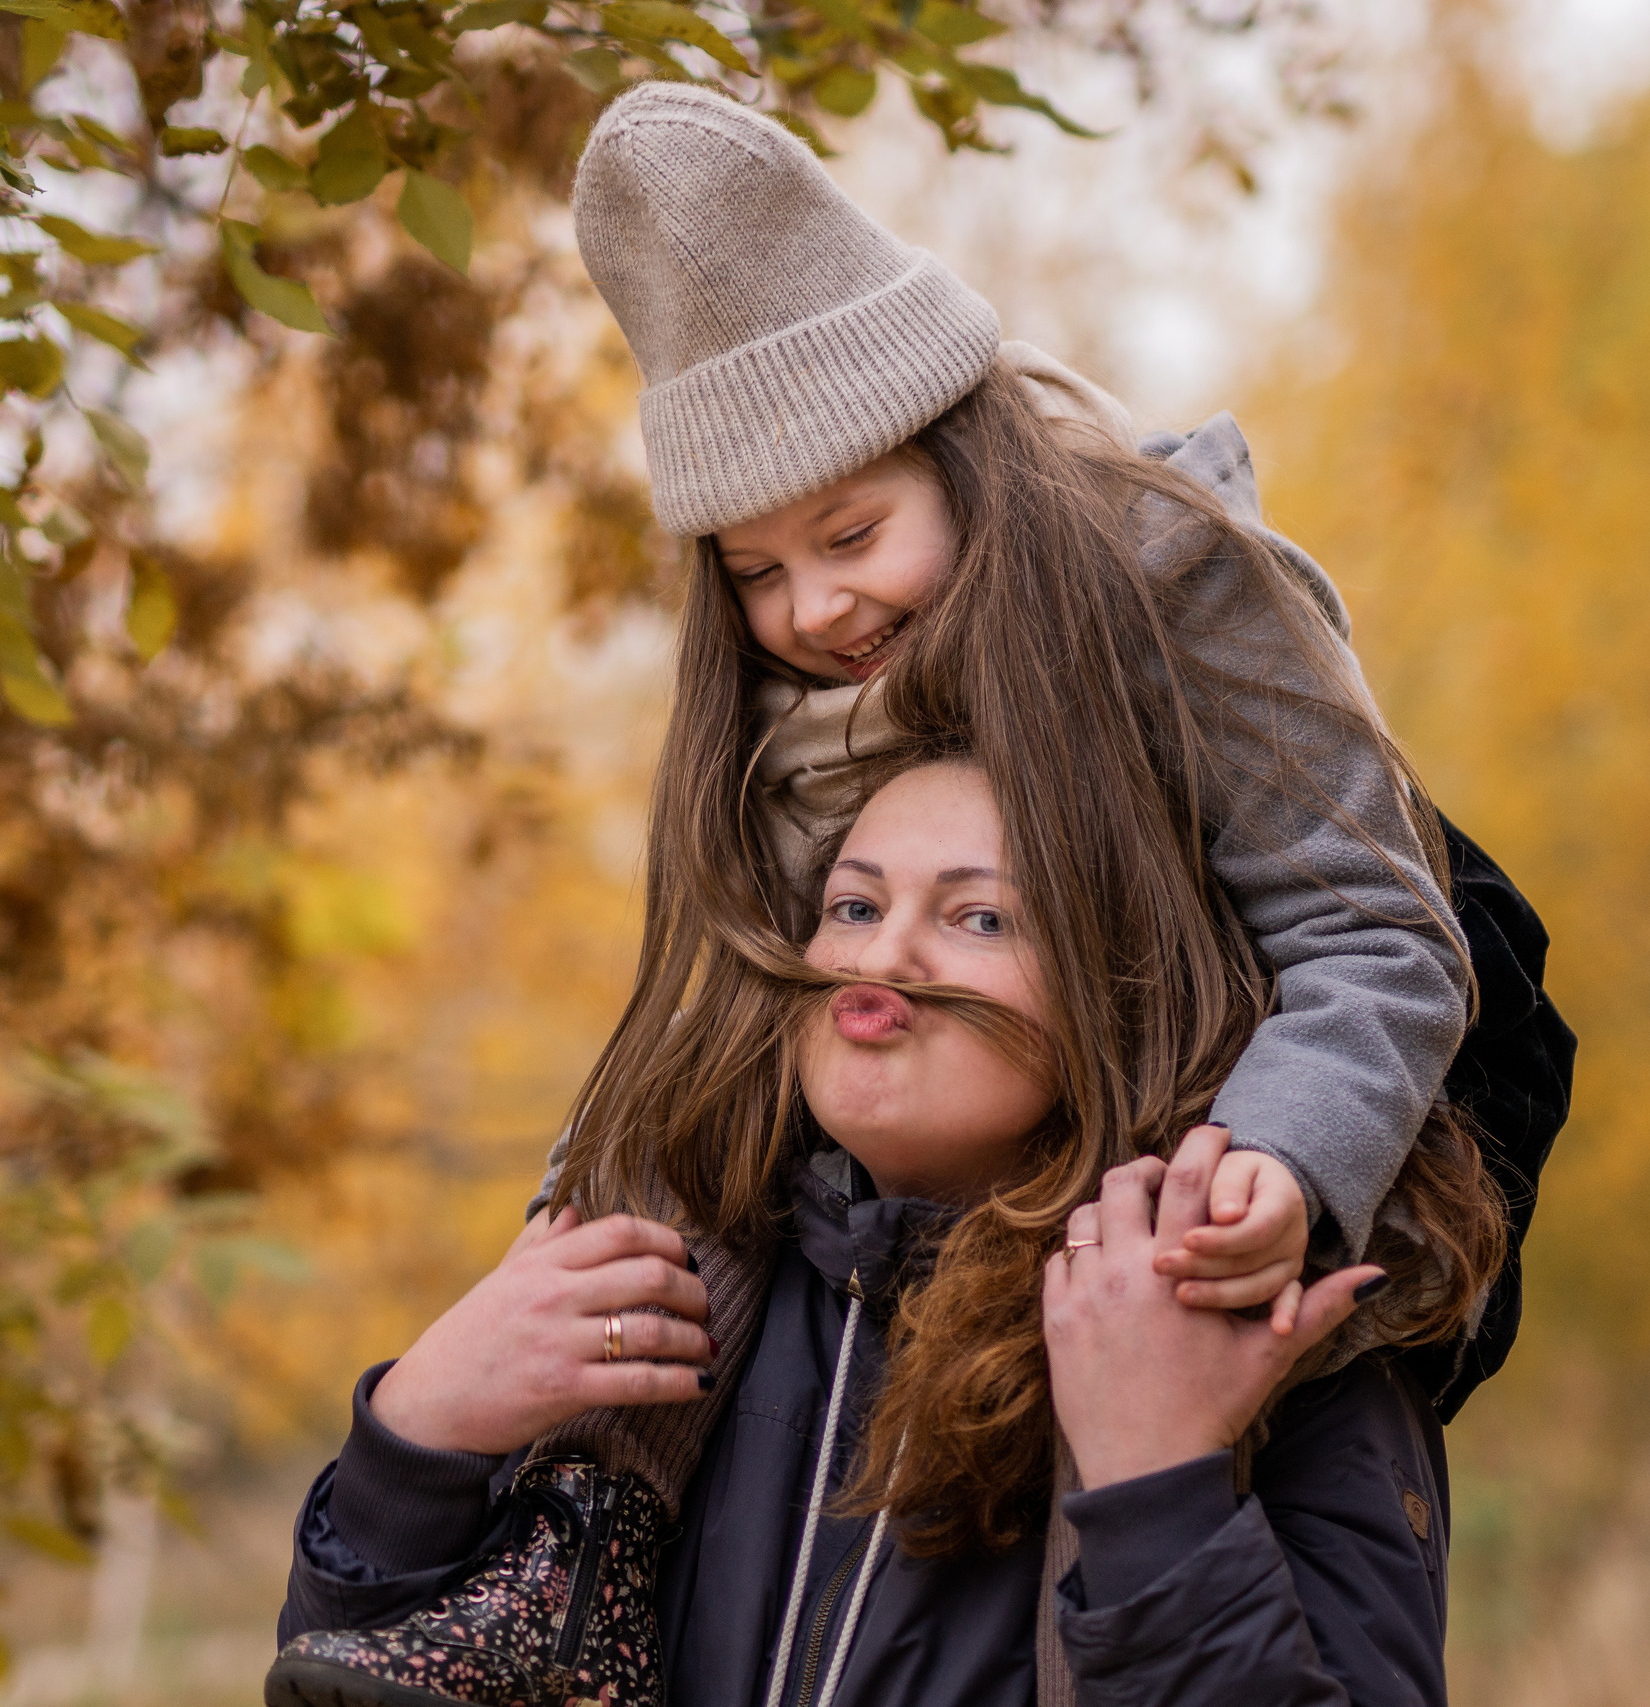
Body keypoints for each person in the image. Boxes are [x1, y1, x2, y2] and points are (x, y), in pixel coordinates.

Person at [274, 79, 1566, 1707]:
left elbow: (1370, 922)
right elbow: (724, 990)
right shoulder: (765, 1294)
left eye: (851, 532)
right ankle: (573, 1556)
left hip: (1188, 1132)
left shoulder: (1175, 586)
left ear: (961, 451)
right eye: (752, 570)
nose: (810, 605)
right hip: (820, 1252)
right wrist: (452, 1391)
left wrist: (1283, 1173)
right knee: (683, 1090)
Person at [269, 757, 1506, 1707]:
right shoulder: (669, 1308)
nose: (884, 957)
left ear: (1130, 993)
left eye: (982, 919)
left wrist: (1158, 1486)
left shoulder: (1263, 1348)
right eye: (853, 906)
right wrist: (414, 1438)